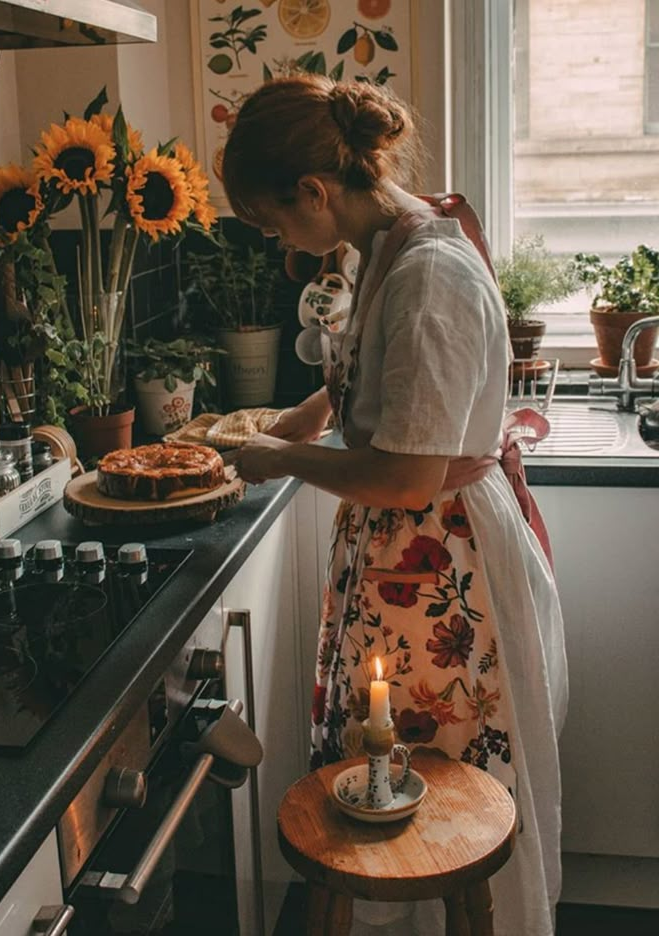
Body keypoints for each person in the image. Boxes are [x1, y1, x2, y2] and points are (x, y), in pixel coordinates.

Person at [222, 74, 567, 936]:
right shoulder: (380, 246)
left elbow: (410, 475)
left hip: (440, 559)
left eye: (273, 223)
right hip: (401, 559)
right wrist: (299, 415)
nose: (278, 245)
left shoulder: (428, 275)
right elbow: (375, 388)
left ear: (314, 190)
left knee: (435, 782)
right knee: (388, 775)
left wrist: (278, 457)